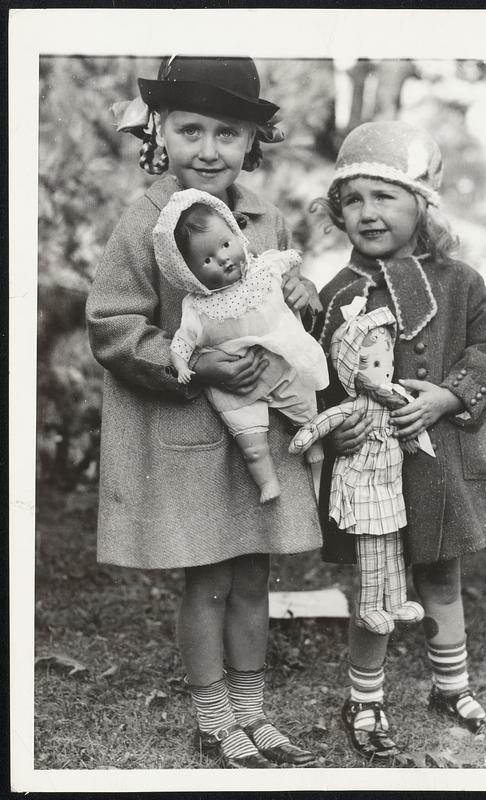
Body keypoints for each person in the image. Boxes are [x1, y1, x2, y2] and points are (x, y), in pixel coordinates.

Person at [86, 56, 322, 768]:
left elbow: (268, 297)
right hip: (187, 429)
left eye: (228, 132)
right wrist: (191, 360)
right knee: (209, 578)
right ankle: (215, 720)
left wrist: (301, 295)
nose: (209, 149)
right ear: (160, 130)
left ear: (254, 141)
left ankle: (255, 715)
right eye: (192, 129)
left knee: (255, 577)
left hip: (258, 428)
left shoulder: (262, 217)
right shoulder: (146, 222)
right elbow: (113, 325)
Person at [312, 121, 486, 761]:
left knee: (442, 575)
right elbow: (316, 378)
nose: (367, 212)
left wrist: (447, 394)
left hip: (442, 468)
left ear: (421, 205)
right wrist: (338, 419)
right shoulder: (334, 295)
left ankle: (452, 685)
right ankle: (365, 697)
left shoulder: (458, 282)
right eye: (352, 200)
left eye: (385, 196)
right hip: (370, 472)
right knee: (376, 585)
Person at [154, 188, 328, 503]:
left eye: (225, 244)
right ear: (189, 274)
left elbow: (291, 263)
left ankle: (313, 442)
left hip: (277, 360)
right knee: (251, 440)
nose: (223, 258)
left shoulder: (261, 270)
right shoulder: (197, 306)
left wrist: (303, 285)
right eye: (207, 259)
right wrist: (184, 365)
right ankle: (267, 483)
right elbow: (183, 339)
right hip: (234, 386)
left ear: (236, 235)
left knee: (303, 403)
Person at [290, 299, 426, 634]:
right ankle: (369, 607)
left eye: (387, 360)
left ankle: (395, 601)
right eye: (374, 363)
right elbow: (325, 421)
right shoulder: (354, 406)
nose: (386, 369)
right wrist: (306, 437)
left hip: (388, 483)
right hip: (362, 482)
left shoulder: (396, 397)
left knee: (393, 542)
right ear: (352, 368)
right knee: (370, 548)